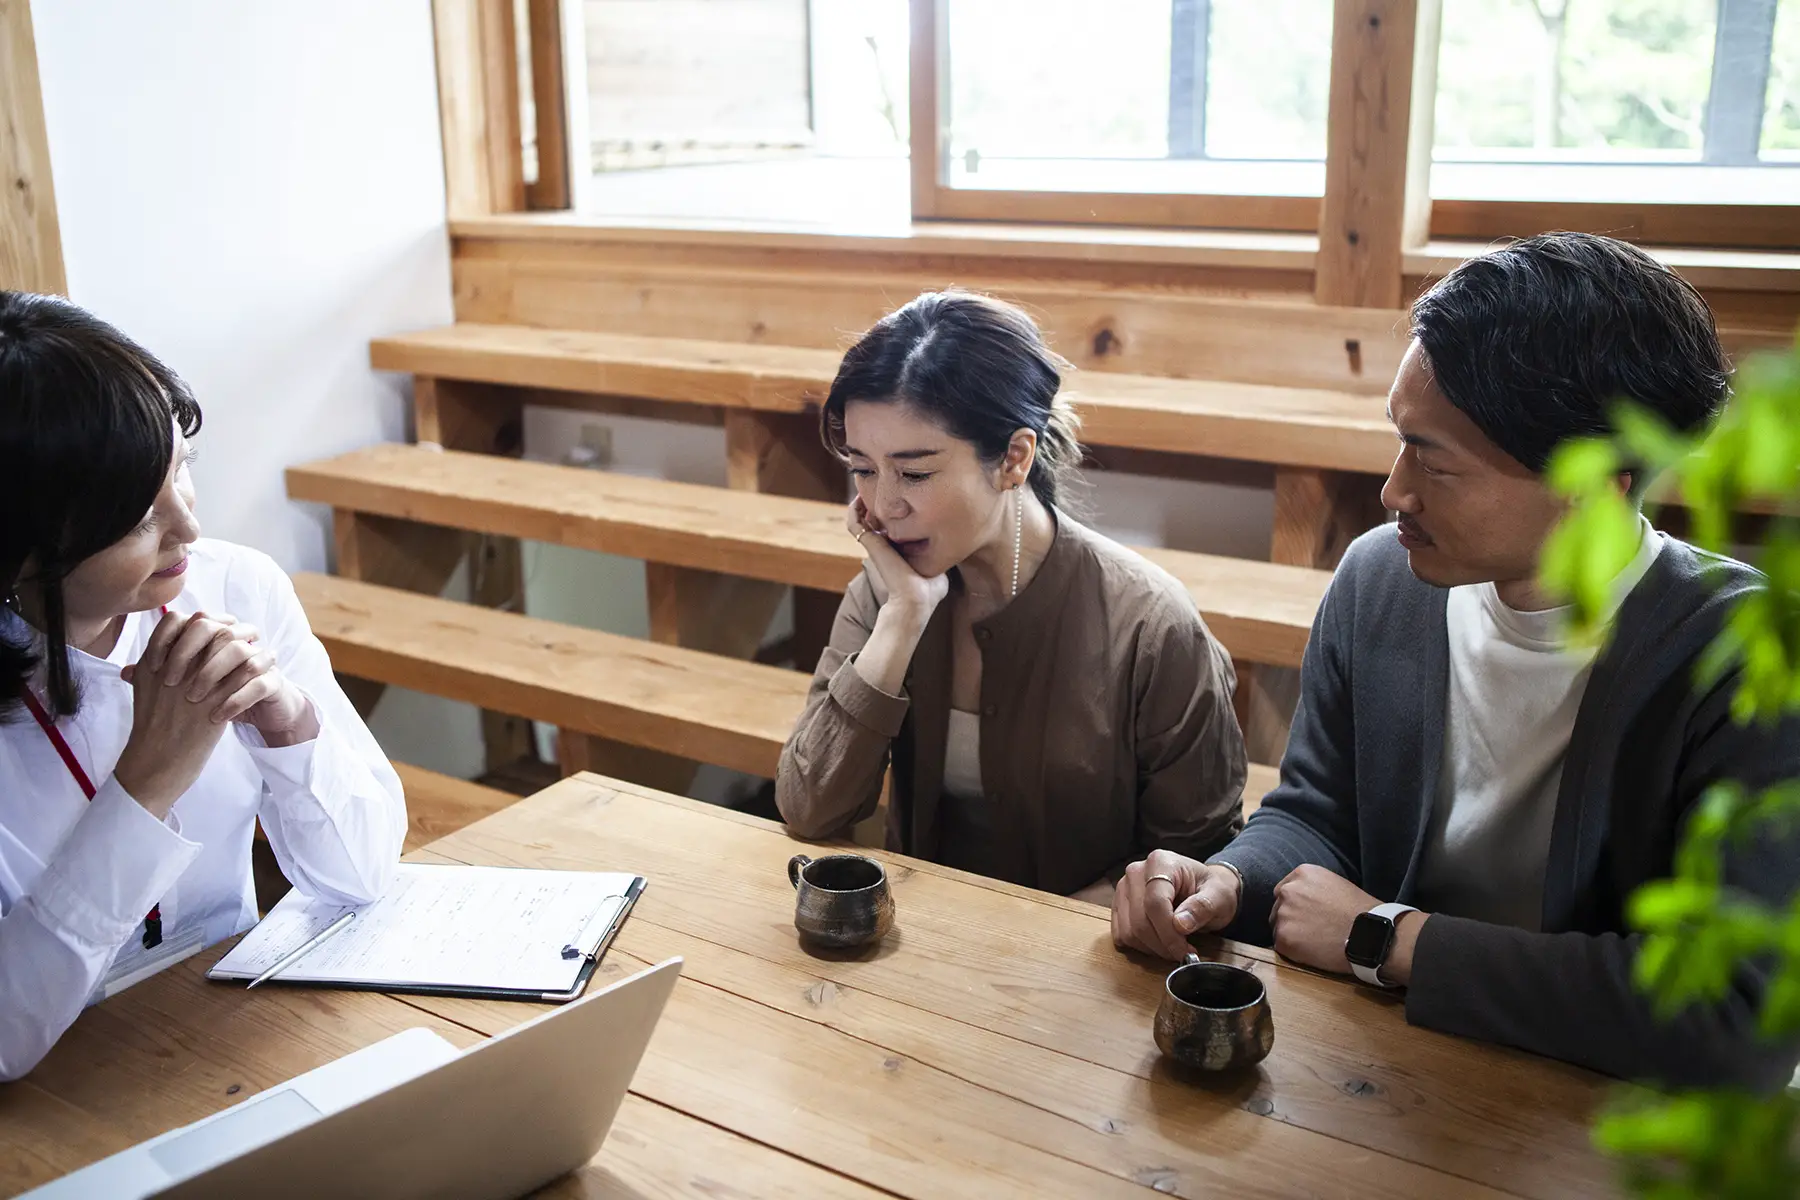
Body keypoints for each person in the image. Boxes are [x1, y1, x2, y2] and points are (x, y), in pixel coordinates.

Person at [1111, 232, 1800, 1090]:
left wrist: (1388, 938)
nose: (1395, 490)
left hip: (1601, 1113)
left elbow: (1737, 1018)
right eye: (1401, 443)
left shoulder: (1743, 659)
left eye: (1434, 461)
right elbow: (1318, 815)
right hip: (1387, 1065)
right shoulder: (1380, 579)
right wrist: (1224, 878)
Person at [0, 291, 406, 1082]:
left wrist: (289, 725)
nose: (187, 527)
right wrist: (146, 785)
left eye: (180, 473)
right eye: (134, 518)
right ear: (20, 548)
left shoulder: (235, 588)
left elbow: (362, 874)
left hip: (232, 1032)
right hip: (53, 1087)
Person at [776, 291, 1248, 900]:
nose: (884, 506)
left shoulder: (1152, 628)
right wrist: (904, 617)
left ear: (1013, 459)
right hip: (916, 945)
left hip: (1088, 963)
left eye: (915, 473)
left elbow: (1198, 856)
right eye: (863, 467)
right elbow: (807, 808)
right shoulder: (887, 592)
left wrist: (1036, 942)